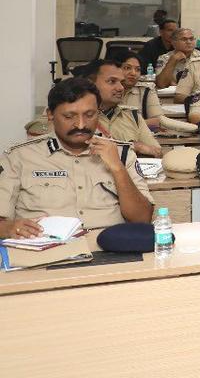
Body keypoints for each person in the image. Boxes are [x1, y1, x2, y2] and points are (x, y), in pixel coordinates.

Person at [1, 77, 154, 238]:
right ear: (50, 115)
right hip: (46, 253)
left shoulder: (121, 154)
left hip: (112, 249)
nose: (81, 125)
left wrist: (118, 169)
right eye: (69, 116)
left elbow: (142, 220)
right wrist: (9, 228)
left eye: (89, 115)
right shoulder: (19, 157)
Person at [89, 60, 162, 157]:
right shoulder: (79, 118)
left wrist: (140, 147)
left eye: (122, 82)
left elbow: (157, 152)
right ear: (90, 84)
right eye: (112, 81)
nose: (121, 88)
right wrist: (132, 146)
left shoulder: (132, 115)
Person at [154, 27, 200, 102]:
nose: (188, 42)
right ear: (173, 42)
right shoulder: (164, 58)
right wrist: (173, 60)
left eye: (191, 39)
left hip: (196, 99)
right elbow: (161, 84)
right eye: (184, 39)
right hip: (169, 99)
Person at [115, 50, 163, 129]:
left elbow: (157, 121)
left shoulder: (146, 90)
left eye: (137, 69)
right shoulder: (103, 90)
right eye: (127, 68)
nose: (133, 73)